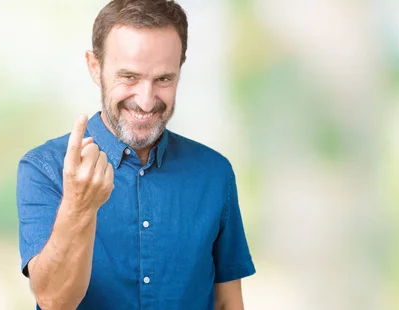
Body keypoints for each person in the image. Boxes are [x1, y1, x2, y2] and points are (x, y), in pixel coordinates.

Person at [15, 0, 256, 309]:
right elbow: (53, 300)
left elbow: (228, 303)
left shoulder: (214, 173)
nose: (145, 100)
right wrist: (78, 206)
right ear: (94, 67)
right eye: (129, 76)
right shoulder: (44, 168)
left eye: (163, 79)